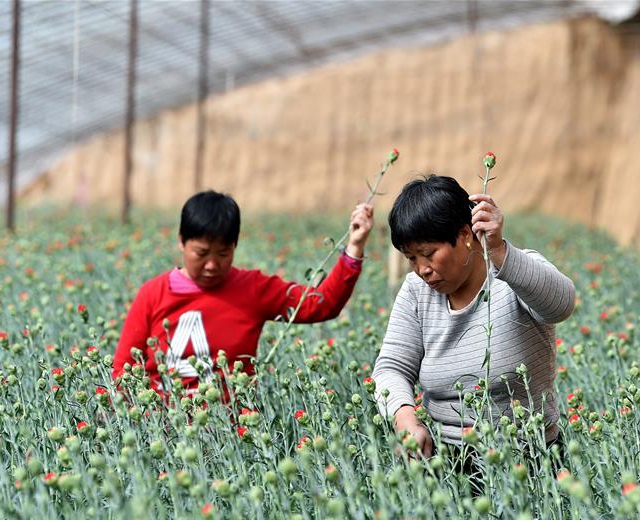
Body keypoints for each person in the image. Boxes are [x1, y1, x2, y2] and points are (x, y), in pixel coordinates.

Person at [371, 175, 575, 475]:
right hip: (447, 466)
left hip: (531, 462)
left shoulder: (516, 271)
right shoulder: (416, 290)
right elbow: (391, 369)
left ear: (466, 234)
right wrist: (405, 418)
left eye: (429, 254)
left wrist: (501, 253)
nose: (422, 269)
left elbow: (561, 304)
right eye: (411, 258)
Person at [113, 190, 373, 400]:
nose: (212, 265)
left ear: (235, 246)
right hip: (161, 432)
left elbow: (320, 305)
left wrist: (354, 247)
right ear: (181, 241)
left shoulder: (252, 288)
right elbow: (122, 371)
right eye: (201, 253)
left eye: (223, 254)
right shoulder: (152, 294)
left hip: (234, 438)